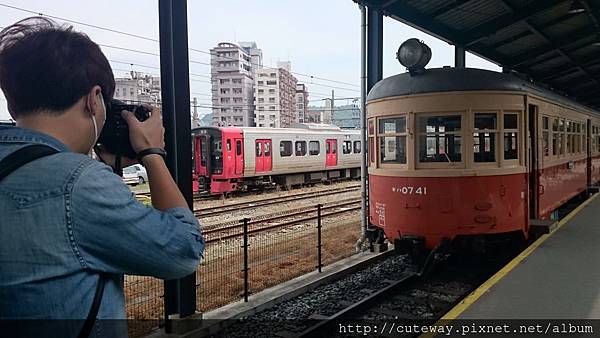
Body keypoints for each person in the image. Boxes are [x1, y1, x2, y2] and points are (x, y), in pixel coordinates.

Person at [0, 17, 204, 337]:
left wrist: (108, 166)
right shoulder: (77, 183)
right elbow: (182, 251)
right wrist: (152, 153)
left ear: (13, 104)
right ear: (94, 99)